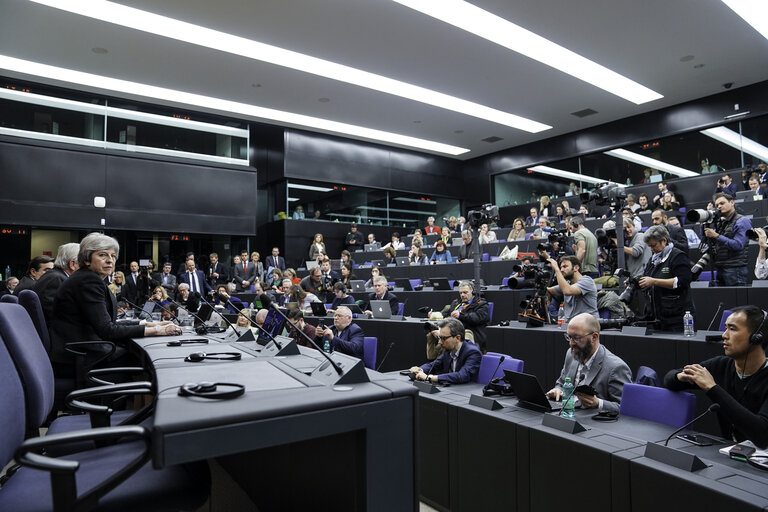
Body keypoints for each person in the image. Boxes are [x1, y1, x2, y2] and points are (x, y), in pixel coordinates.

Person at [51, 232, 181, 376]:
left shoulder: (88, 278)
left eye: (113, 256)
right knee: (150, 361)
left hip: (83, 351)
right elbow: (108, 330)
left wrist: (148, 324)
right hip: (83, 357)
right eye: (102, 255)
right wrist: (157, 330)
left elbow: (108, 322)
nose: (110, 260)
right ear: (87, 259)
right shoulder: (88, 281)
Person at [665, 306, 768, 448]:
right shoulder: (721, 365)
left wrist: (712, 388)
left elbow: (762, 435)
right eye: (725, 328)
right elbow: (669, 379)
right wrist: (680, 376)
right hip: (734, 455)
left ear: (757, 337)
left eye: (732, 329)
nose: (724, 335)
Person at [546, 313, 632, 414]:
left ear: (594, 337)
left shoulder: (616, 367)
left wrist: (598, 403)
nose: (571, 343)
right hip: (569, 414)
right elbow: (561, 382)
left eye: (577, 338)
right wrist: (557, 390)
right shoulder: (571, 353)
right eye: (569, 337)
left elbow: (626, 408)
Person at [638, 225, 694, 332]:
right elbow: (646, 276)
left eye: (654, 245)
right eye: (649, 246)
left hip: (677, 316)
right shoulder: (653, 259)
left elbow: (682, 281)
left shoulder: (678, 256)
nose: (652, 249)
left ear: (664, 241)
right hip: (658, 315)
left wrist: (654, 281)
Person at [409, 317, 482, 384]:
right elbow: (433, 365)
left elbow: (462, 376)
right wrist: (420, 370)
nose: (439, 342)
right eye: (439, 338)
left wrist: (429, 378)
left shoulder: (473, 352)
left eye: (443, 338)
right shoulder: (448, 350)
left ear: (458, 338)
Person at [427, 280, 490, 353]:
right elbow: (446, 313)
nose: (462, 295)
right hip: (453, 332)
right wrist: (434, 315)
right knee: (432, 333)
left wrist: (460, 315)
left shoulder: (481, 304)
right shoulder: (456, 303)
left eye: (465, 292)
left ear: (472, 291)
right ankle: (434, 357)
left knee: (445, 338)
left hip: (471, 333)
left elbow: (476, 318)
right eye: (460, 293)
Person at [704, 193, 752, 287]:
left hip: (735, 270)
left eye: (722, 203)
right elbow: (709, 241)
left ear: (732, 202)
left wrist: (716, 236)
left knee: (737, 301)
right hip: (721, 267)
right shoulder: (722, 222)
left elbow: (738, 245)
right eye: (717, 205)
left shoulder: (742, 221)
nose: (719, 206)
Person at [33, 242, 79, 327]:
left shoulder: (53, 275)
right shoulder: (57, 280)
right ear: (72, 264)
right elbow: (58, 316)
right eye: (84, 262)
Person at [543, 254, 599, 323]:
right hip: (571, 325)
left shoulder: (587, 281)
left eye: (565, 266)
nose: (562, 270)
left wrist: (556, 269)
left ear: (576, 268)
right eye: (561, 267)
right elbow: (550, 290)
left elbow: (567, 291)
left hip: (588, 324)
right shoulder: (568, 283)